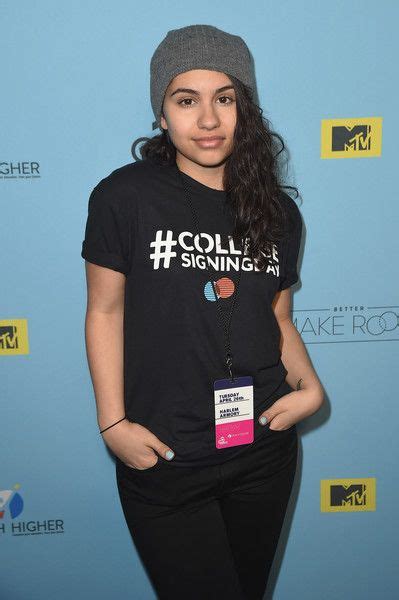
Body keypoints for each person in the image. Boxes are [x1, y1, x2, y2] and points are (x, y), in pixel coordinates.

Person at [81, 24, 324, 600]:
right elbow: (104, 311)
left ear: (247, 108)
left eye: (225, 98)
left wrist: (311, 390)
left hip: (262, 453)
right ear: (162, 114)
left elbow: (278, 318)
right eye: (186, 100)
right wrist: (113, 423)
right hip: (166, 459)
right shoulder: (125, 197)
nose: (208, 121)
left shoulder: (278, 213)